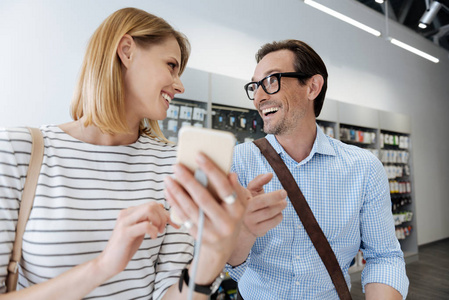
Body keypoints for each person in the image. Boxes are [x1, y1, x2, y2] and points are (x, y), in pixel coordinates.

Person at [0, 7, 247, 299]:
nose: (179, 85)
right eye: (171, 65)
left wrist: (213, 253)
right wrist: (103, 267)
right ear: (127, 51)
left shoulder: (172, 164)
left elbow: (172, 294)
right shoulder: (19, 152)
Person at [226, 39, 409, 299]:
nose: (259, 97)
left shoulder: (364, 168)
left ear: (312, 86)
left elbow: (384, 257)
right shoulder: (238, 162)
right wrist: (244, 230)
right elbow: (231, 262)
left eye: (270, 81)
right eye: (254, 86)